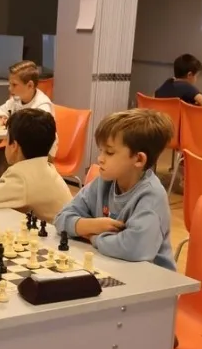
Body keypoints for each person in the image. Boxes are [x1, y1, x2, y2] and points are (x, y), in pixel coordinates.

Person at [53, 109, 175, 271]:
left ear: (139, 159)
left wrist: (92, 237)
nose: (100, 158)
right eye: (101, 150)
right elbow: (61, 219)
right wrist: (94, 225)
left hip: (152, 279)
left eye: (109, 152)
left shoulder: (152, 196)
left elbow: (133, 248)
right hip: (111, 268)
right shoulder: (103, 182)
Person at [0, 109, 71, 222]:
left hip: (55, 233)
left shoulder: (22, 177)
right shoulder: (46, 167)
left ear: (14, 146)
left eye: (7, 139)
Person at [0, 60, 56, 183]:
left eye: (14, 85)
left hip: (39, 153)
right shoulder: (17, 99)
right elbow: (0, 111)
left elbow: (37, 139)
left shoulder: (42, 107)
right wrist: (2, 117)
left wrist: (11, 123)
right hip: (20, 147)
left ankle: (3, 192)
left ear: (30, 85)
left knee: (2, 167)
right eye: (10, 84)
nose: (10, 88)